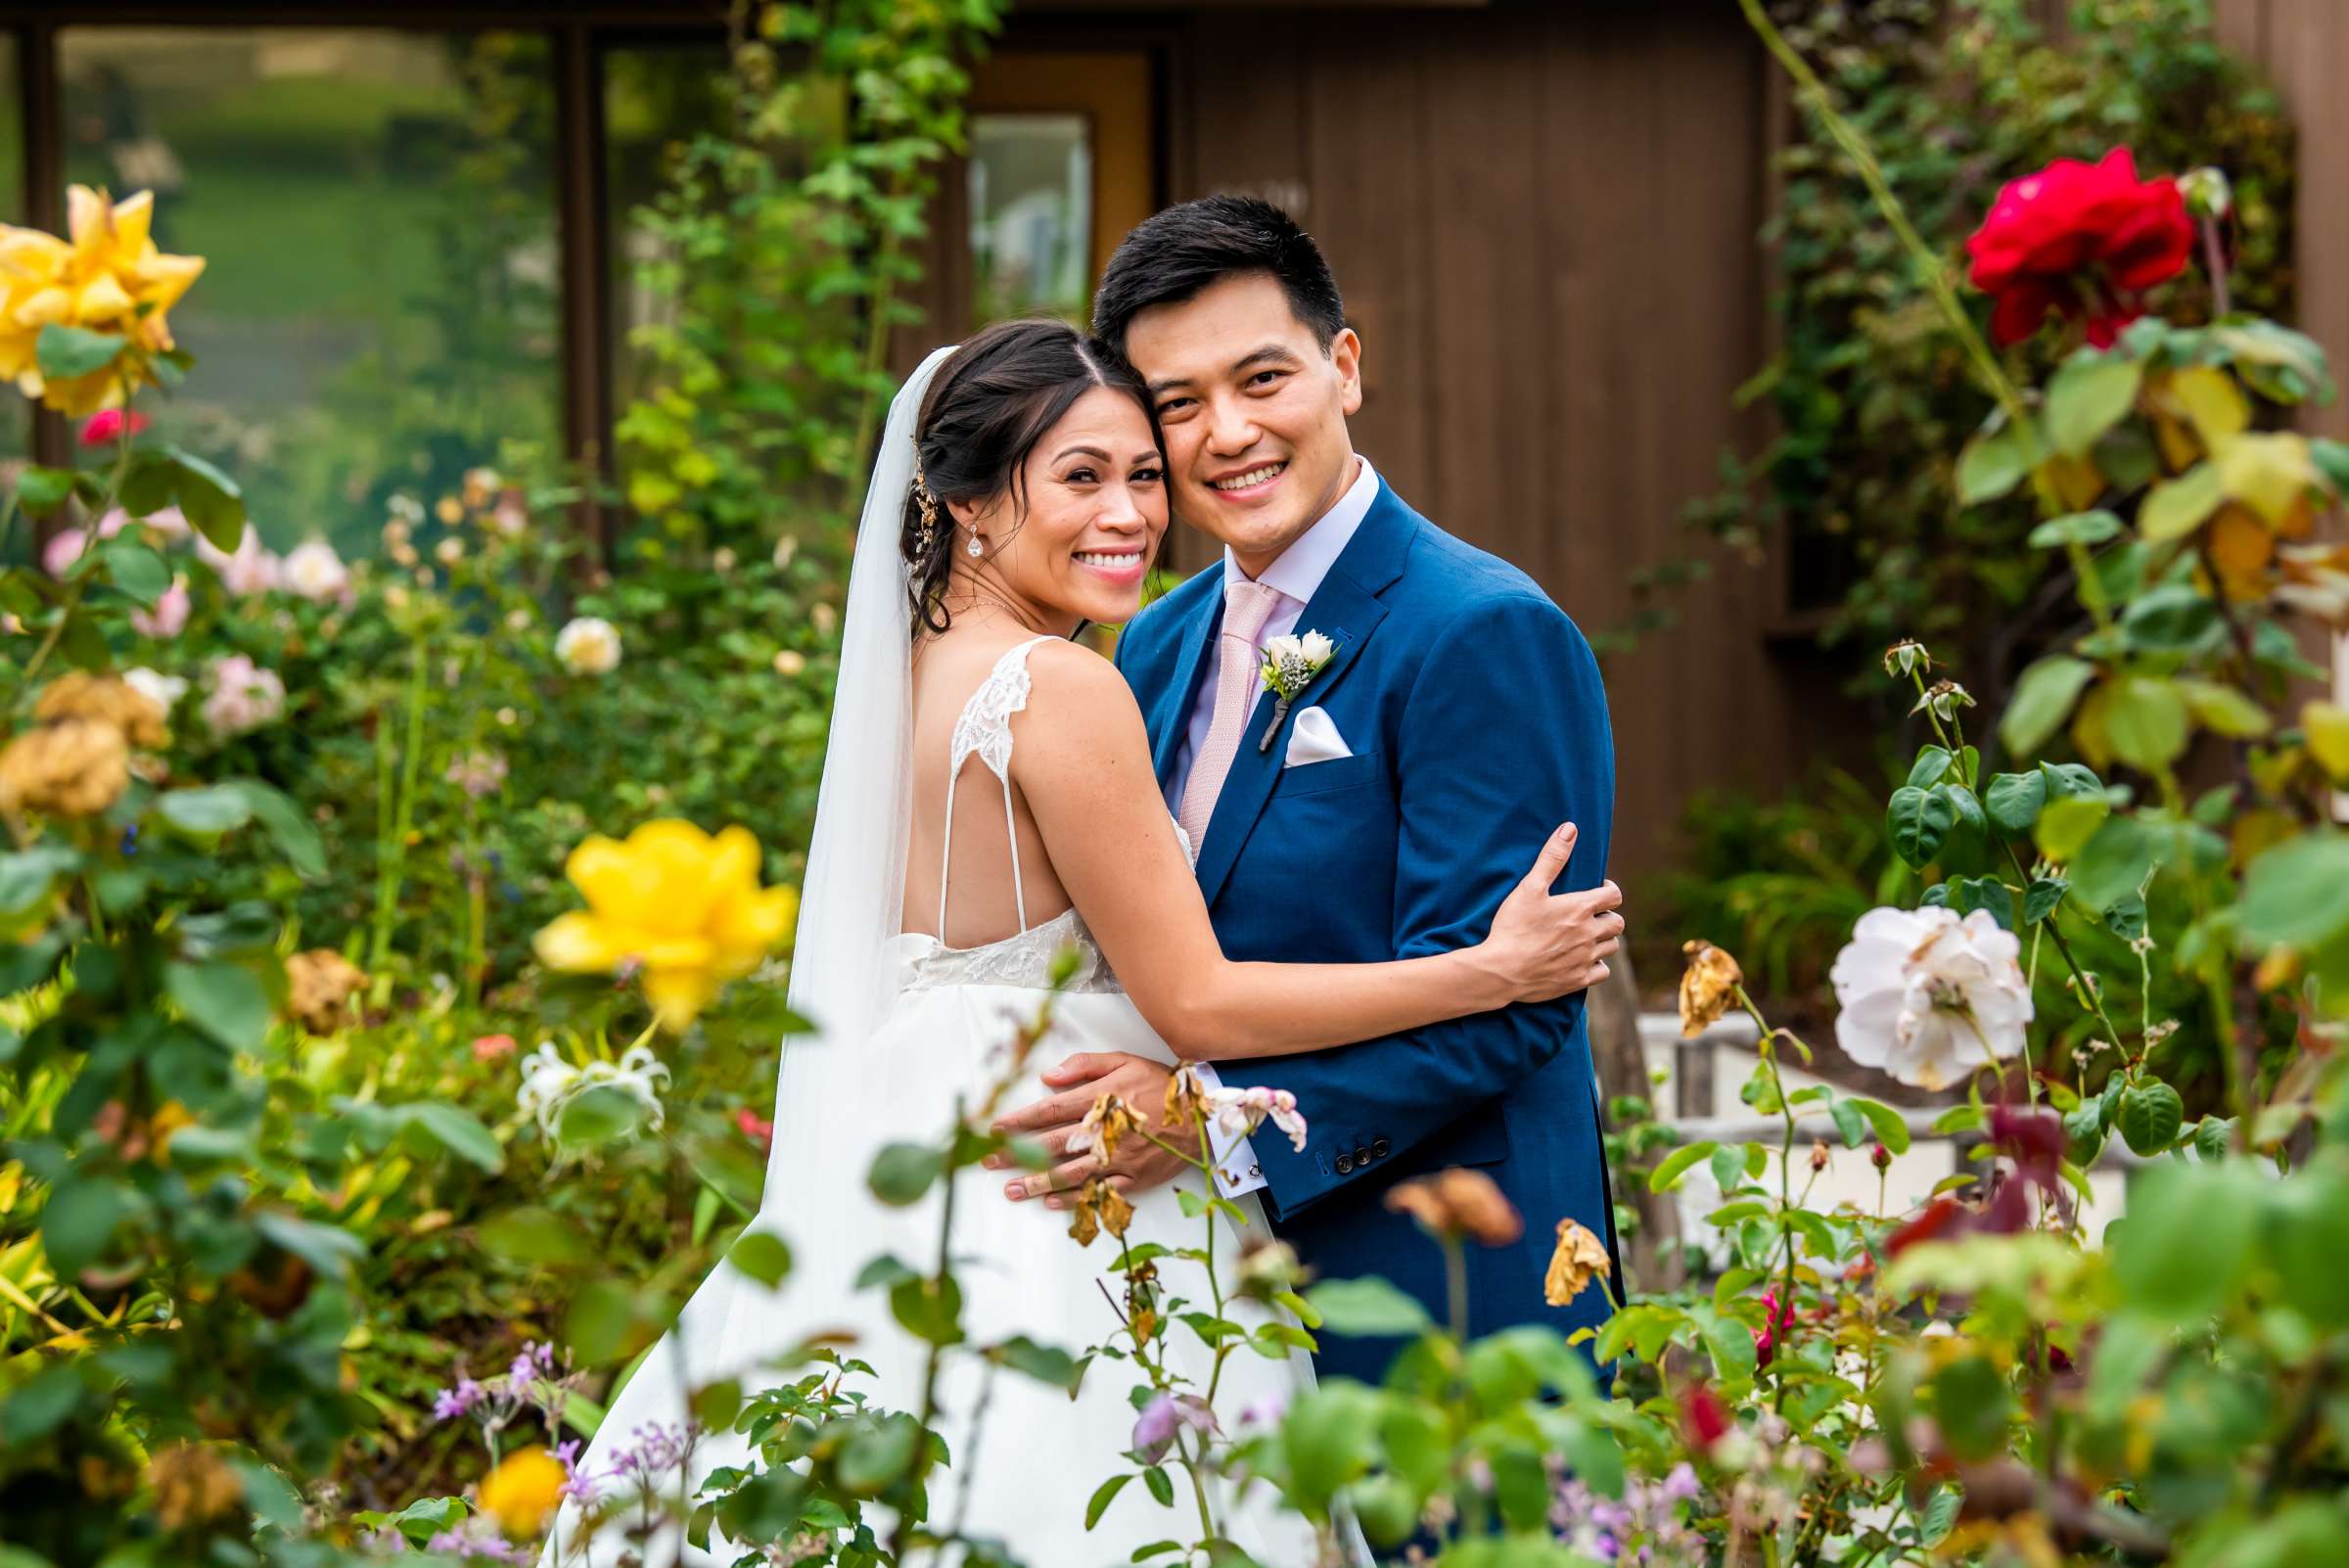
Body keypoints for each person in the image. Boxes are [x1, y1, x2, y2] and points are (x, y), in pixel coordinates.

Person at [543, 316, 1623, 1566]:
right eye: (1080, 477)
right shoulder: (1063, 687)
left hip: (926, 1147)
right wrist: (1492, 968)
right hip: (1066, 1191)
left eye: (1142, 476)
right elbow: (1201, 1001)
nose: (1131, 514)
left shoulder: (907, 678)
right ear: (959, 502)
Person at [995, 195, 1626, 1385]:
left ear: (1343, 366)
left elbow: (1511, 1003)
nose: (1227, 432)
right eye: (1178, 405)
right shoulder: (1156, 641)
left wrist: (1208, 1117)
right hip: (1223, 1291)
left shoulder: (1483, 632)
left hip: (1450, 1294)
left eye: (1262, 379)